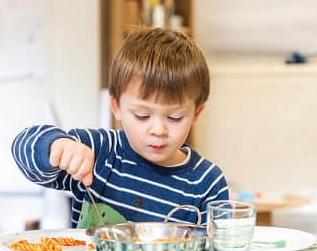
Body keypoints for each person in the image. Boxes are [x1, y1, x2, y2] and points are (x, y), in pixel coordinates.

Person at [12, 27, 229, 228]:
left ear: (195, 115)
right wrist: (56, 145)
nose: (159, 130)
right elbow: (23, 149)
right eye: (142, 115)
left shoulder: (206, 182)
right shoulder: (99, 151)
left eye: (175, 117)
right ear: (116, 106)